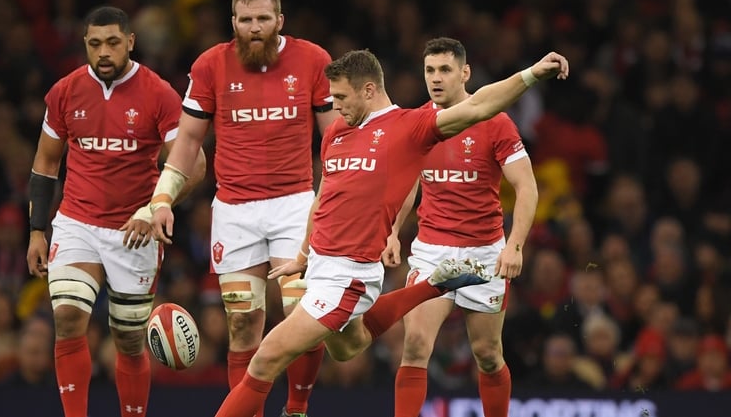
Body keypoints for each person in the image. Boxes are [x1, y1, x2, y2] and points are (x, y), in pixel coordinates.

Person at [150, 46, 569, 417]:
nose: (334, 107)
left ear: (369, 90)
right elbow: (323, 196)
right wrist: (302, 254)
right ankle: (431, 287)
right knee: (349, 345)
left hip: (350, 273)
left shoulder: (409, 127)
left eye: (341, 98)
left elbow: (479, 108)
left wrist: (531, 74)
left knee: (266, 358)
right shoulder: (337, 132)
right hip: (321, 266)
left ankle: (296, 410)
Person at [143, 0, 337, 417]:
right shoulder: (210, 66)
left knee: (301, 313)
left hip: (296, 204)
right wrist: (161, 199)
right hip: (234, 209)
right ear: (233, 22)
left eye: (263, 19)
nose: (254, 28)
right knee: (242, 321)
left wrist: (331, 204)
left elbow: (336, 143)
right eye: (246, 20)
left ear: (279, 20)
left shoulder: (313, 61)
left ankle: (297, 408)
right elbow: (188, 142)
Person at [25, 6, 205, 417]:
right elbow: (45, 164)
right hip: (77, 223)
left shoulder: (158, 93)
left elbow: (193, 164)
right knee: (68, 315)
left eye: (111, 42)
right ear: (85, 45)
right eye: (94, 44)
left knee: (127, 338)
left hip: (135, 229)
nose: (103, 52)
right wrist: (37, 230)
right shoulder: (65, 92)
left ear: (130, 42)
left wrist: (155, 207)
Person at [382, 37, 538, 417]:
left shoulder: (495, 122)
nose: (436, 78)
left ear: (464, 73)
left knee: (487, 354)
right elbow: (407, 185)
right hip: (432, 249)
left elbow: (526, 185)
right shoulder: (419, 122)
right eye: (430, 70)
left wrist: (514, 245)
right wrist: (391, 230)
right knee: (415, 344)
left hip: (484, 253)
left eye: (445, 70)